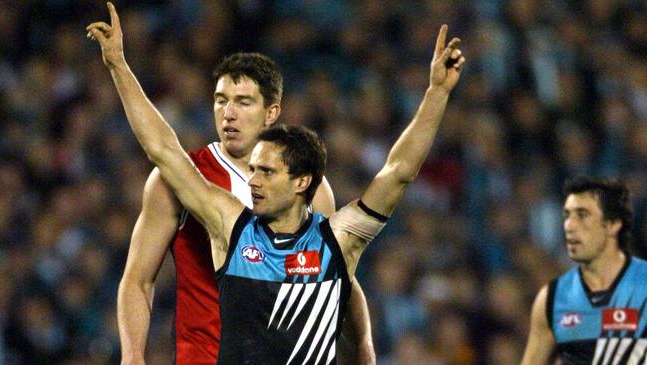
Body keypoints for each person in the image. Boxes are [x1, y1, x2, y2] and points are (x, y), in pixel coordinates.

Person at [88, 2, 465, 363]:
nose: (229, 113)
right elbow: (161, 152)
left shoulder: (318, 204)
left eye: (243, 101)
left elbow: (348, 263)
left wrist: (362, 352)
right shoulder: (216, 209)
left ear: (272, 112)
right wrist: (119, 66)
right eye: (221, 100)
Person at [521, 176, 647, 364]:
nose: (569, 226)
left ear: (612, 225)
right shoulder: (552, 299)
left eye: (582, 214)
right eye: (566, 215)